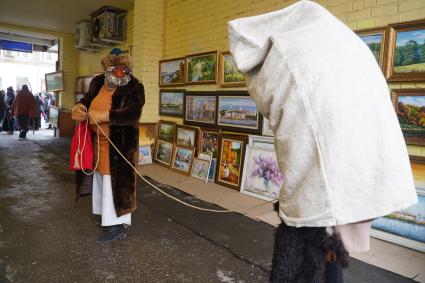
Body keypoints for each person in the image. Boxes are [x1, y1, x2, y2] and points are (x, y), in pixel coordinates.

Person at [228, 1, 417, 282]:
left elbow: (295, 118)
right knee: (328, 237)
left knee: (316, 239)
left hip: (332, 161)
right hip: (348, 158)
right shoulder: (338, 45)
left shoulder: (297, 53)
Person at [72, 48, 145, 244]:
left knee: (116, 183)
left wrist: (104, 116)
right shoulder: (97, 82)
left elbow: (133, 114)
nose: (116, 72)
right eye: (111, 68)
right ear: (106, 67)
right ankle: (106, 217)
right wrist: (78, 107)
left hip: (120, 144)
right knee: (100, 181)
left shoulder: (135, 86)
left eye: (120, 68)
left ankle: (117, 225)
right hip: (97, 142)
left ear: (126, 67)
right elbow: (86, 100)